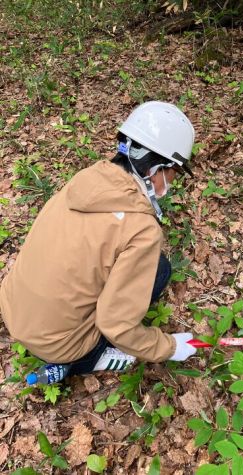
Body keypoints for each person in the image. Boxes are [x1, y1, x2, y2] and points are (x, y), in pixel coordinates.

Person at [0, 101, 197, 376]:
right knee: (160, 270)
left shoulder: (86, 180)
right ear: (157, 169)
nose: (172, 182)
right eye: (174, 173)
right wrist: (168, 347)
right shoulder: (142, 230)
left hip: (13, 309)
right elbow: (116, 323)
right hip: (59, 346)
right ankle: (91, 358)